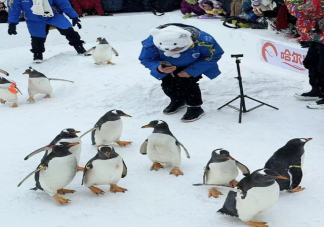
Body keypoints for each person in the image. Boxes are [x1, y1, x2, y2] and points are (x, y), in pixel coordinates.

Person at [139, 23, 224, 122]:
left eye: (176, 49)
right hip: (167, 66)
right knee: (168, 85)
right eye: (168, 49)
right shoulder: (154, 40)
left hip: (193, 64)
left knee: (188, 84)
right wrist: (158, 68)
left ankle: (195, 107)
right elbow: (147, 58)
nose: (173, 51)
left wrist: (191, 71)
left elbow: (212, 56)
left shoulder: (204, 41)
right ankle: (177, 101)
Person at [7, 0, 87, 63]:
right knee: (37, 38)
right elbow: (14, 8)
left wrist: (73, 16)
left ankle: (80, 48)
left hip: (54, 15)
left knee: (69, 32)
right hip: (34, 19)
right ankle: (37, 55)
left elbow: (63, 3)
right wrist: (12, 23)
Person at [285, 0, 324, 108]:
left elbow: (310, 10)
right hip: (316, 34)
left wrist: (293, 3)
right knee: (311, 62)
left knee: (322, 66)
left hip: (320, 33)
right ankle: (317, 90)